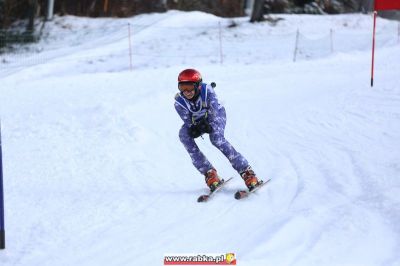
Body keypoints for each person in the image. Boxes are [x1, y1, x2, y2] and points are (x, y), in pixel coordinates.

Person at [174, 68, 262, 192]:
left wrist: (208, 124)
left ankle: (246, 171)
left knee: (216, 138)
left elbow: (214, 111)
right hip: (198, 121)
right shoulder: (179, 103)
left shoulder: (207, 91)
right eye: (182, 88)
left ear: (198, 86)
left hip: (216, 115)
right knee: (183, 135)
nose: (186, 92)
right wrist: (194, 128)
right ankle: (209, 172)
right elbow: (188, 121)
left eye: (190, 87)